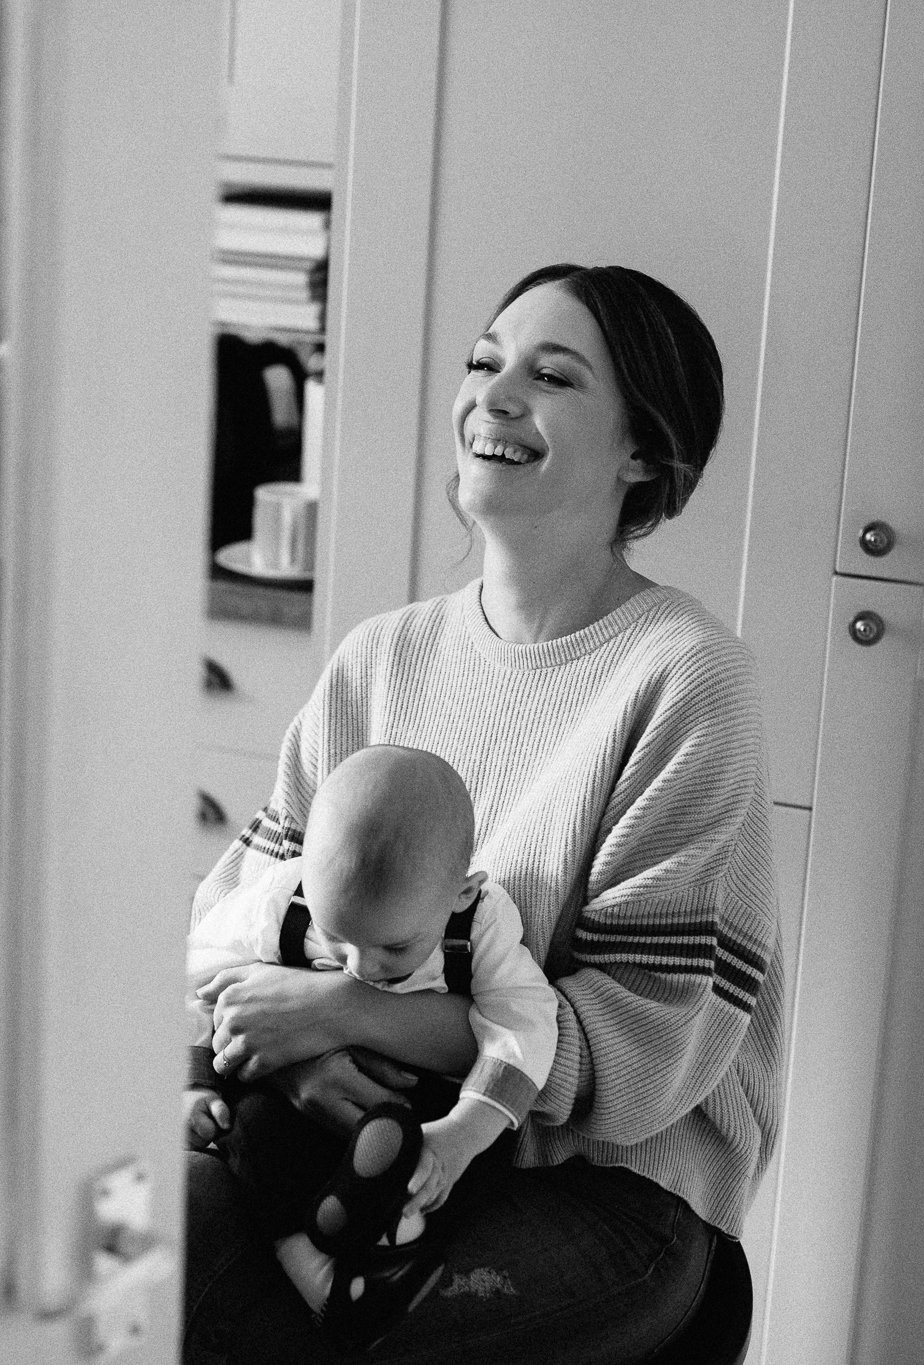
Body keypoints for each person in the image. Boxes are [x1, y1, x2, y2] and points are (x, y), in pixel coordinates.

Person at [186, 263, 784, 1363]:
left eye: (550, 376)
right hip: (338, 1138)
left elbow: (637, 1062)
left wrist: (340, 1015)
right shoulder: (380, 661)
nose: (493, 397)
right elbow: (231, 922)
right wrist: (298, 1054)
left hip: (606, 1189)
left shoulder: (684, 681)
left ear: (643, 454)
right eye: (482, 362)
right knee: (130, 1239)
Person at [185, 745, 557, 1349]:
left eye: (394, 949)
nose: (358, 968)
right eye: (337, 939)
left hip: (425, 1115)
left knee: (478, 1160)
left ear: (461, 895)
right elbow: (198, 972)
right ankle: (321, 1264)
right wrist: (197, 1077)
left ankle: (392, 1234)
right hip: (295, 1103)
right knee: (251, 1131)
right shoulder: (283, 898)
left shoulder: (482, 924)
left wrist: (463, 1132)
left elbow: (528, 1023)